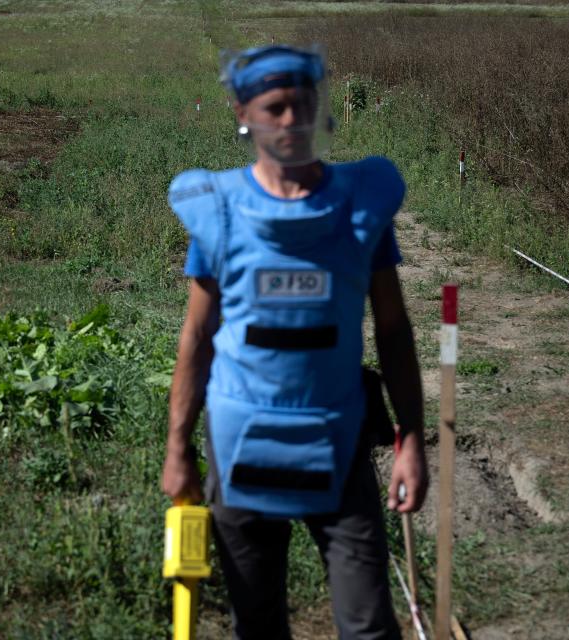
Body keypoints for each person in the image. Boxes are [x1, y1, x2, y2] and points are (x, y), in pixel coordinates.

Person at [160, 44, 427, 640]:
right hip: (241, 446)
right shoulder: (220, 213)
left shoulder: (361, 207)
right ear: (243, 113)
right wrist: (178, 448)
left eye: (301, 105)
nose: (289, 120)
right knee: (257, 624)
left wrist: (411, 440)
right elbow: (197, 338)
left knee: (368, 627)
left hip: (338, 439)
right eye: (274, 107)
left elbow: (393, 331)